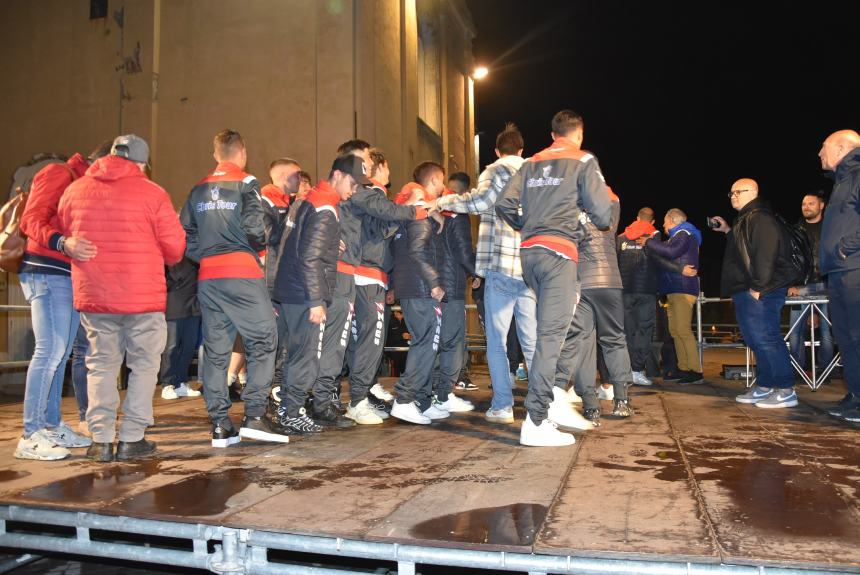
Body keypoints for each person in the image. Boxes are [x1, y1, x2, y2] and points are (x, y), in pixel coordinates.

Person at [58, 134, 186, 461]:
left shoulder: (76, 190)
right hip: (142, 298)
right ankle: (132, 437)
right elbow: (175, 249)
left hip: (96, 295)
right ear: (142, 163)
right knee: (143, 365)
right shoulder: (153, 193)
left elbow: (66, 227)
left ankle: (100, 439)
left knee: (100, 364)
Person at [496, 109, 612, 446]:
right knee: (551, 337)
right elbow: (603, 214)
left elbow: (505, 204)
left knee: (559, 329)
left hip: (530, 254)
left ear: (552, 135)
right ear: (579, 133)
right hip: (560, 254)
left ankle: (553, 401)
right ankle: (536, 419)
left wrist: (527, 227)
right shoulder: (583, 159)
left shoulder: (531, 162)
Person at [181, 129, 286, 447]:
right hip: (241, 272)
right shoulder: (246, 183)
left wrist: (207, 257)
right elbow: (256, 228)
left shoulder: (198, 190)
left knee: (216, 351)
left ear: (216, 155)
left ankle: (220, 425)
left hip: (209, 278)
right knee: (265, 339)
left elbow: (184, 234)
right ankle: (255, 415)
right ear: (242, 153)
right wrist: (254, 244)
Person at [427, 123, 536, 424]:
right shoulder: (535, 174)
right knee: (532, 341)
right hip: (529, 267)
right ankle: (542, 406)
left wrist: (441, 201)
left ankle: (502, 405)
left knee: (497, 341)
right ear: (522, 150)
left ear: (498, 151)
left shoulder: (497, 170)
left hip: (500, 266)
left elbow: (479, 202)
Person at [13, 141, 112, 460]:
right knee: (50, 350)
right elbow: (31, 220)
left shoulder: (85, 185)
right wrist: (62, 242)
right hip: (46, 270)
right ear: (104, 160)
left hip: (65, 273)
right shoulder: (59, 172)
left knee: (61, 353)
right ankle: (31, 433)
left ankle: (51, 424)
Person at [272, 154, 360, 433]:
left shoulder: (310, 201)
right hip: (304, 295)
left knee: (293, 355)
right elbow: (309, 257)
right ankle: (292, 412)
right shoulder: (325, 208)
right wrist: (316, 301)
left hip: (290, 291)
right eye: (353, 183)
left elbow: (296, 246)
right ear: (338, 175)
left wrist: (332, 247)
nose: (354, 190)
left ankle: (288, 410)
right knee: (305, 357)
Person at [342, 144, 429, 424]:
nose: (390, 172)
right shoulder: (371, 194)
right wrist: (415, 209)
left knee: (363, 342)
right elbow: (385, 225)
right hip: (366, 274)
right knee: (370, 341)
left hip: (369, 274)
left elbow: (381, 230)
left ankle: (360, 395)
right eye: (388, 166)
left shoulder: (371, 197)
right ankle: (356, 401)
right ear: (379, 168)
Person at [709, 178, 797, 408]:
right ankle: (765, 385)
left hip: (761, 289)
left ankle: (785, 389)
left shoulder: (760, 217)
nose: (734, 195)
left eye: (739, 191)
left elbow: (766, 254)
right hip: (747, 289)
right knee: (756, 340)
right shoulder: (745, 220)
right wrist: (728, 230)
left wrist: (758, 286)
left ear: (754, 192)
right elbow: (744, 250)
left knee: (767, 338)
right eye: (731, 193)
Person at [558, 189, 634, 426]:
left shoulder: (569, 211)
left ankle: (590, 406)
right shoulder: (610, 214)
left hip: (582, 286)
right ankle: (621, 401)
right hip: (610, 283)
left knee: (583, 343)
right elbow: (614, 197)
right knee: (615, 340)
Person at [389, 162, 448, 424]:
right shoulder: (420, 210)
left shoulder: (410, 207)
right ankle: (404, 399)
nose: (444, 189)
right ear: (434, 181)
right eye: (442, 183)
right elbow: (417, 251)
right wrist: (434, 282)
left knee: (426, 342)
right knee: (426, 343)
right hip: (420, 287)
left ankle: (421, 401)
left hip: (412, 286)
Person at [817, 129, 860, 422]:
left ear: (842, 148)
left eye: (824, 147)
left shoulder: (857, 175)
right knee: (845, 337)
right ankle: (855, 395)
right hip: (839, 270)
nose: (820, 153)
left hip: (854, 268)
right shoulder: (842, 181)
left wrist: (846, 248)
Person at [641, 209, 703, 384]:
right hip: (674, 288)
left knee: (682, 330)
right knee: (675, 331)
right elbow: (665, 256)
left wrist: (649, 242)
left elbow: (671, 252)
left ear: (673, 221)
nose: (663, 225)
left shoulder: (684, 233)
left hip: (683, 288)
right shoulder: (677, 237)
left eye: (665, 222)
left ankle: (696, 371)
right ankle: (684, 369)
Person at [786, 192, 834, 377]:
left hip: (826, 284)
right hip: (800, 286)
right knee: (795, 331)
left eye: (811, 203)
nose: (806, 206)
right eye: (804, 203)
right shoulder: (796, 230)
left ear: (821, 206)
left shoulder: (830, 228)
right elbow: (791, 260)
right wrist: (792, 283)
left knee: (826, 332)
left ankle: (825, 371)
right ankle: (797, 370)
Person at [617, 207, 660, 387]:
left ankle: (624, 371)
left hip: (624, 291)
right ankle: (637, 370)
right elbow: (660, 261)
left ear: (636, 218)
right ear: (652, 222)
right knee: (644, 332)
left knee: (626, 331)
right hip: (647, 292)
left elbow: (615, 262)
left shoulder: (620, 238)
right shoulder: (655, 238)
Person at [159, 256, 203, 400]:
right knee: (171, 346)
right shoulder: (171, 250)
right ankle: (167, 384)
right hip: (174, 302)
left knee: (189, 346)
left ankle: (181, 382)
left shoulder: (196, 248)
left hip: (193, 304)